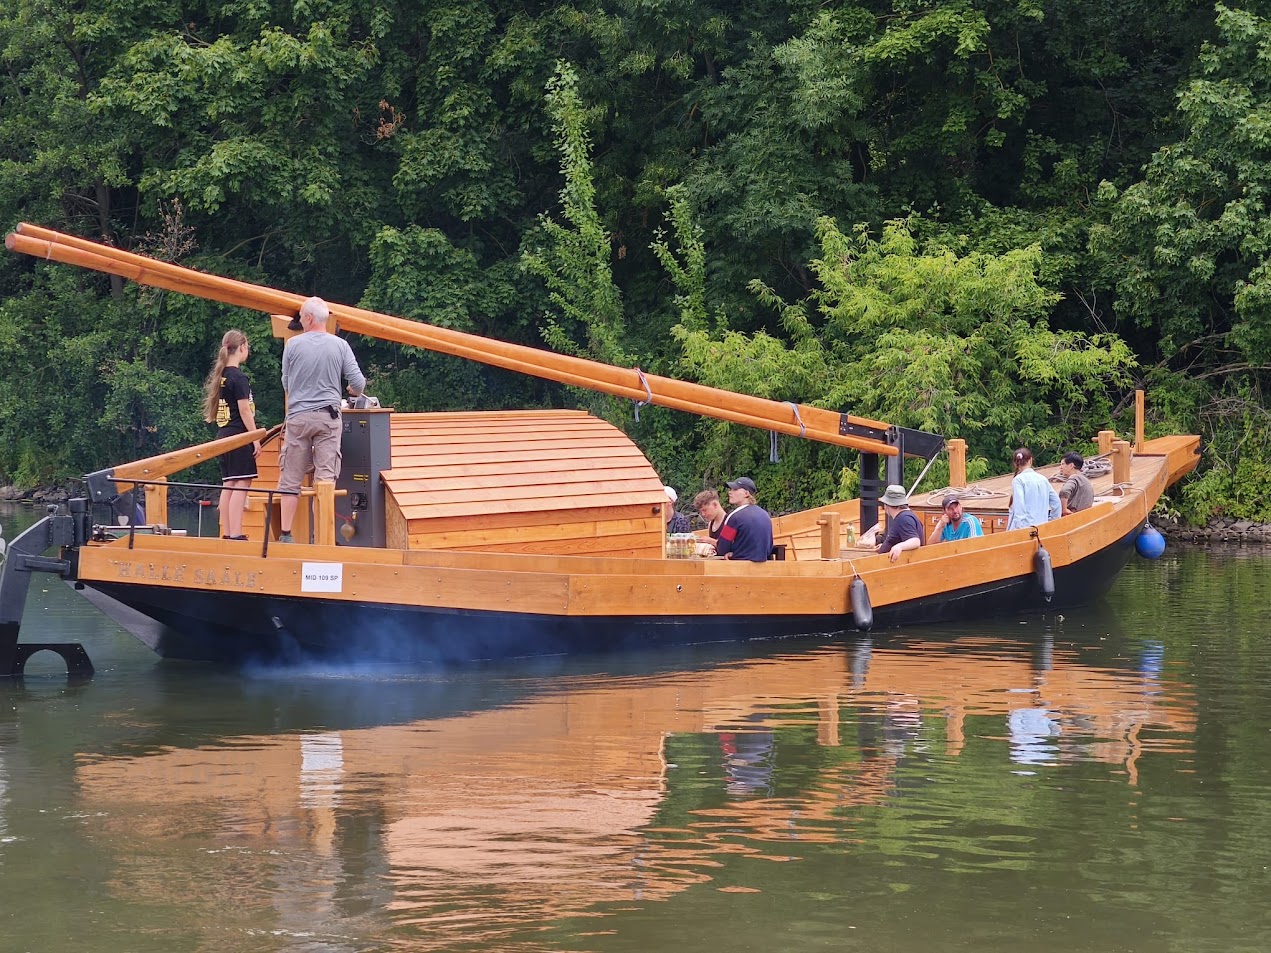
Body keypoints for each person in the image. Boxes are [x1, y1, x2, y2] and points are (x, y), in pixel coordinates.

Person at [277, 297, 367, 543]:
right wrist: (350, 390)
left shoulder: (292, 346)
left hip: (298, 418)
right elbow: (359, 384)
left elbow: (286, 383)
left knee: (291, 478)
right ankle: (322, 538)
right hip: (328, 419)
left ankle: (286, 535)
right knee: (325, 479)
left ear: (308, 318)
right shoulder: (340, 346)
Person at [202, 329, 259, 540]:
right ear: (242, 348)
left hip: (223, 435)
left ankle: (227, 532)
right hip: (238, 436)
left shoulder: (222, 376)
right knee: (242, 483)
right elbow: (244, 410)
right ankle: (235, 532)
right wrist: (254, 438)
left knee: (229, 483)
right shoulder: (239, 377)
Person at [714, 477, 773, 562]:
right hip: (763, 564)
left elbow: (722, 548)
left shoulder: (735, 517)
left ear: (746, 493)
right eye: (730, 489)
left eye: (735, 489)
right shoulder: (765, 515)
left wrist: (733, 554)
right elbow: (768, 547)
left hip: (740, 567)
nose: (730, 492)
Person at [1006, 447, 1060, 530]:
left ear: (1015, 463)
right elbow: (1056, 503)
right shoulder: (1043, 479)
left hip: (1025, 529)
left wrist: (1019, 527)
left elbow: (1019, 506)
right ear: (1031, 460)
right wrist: (1052, 521)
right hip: (1042, 527)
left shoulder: (1018, 480)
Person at [873, 484, 923, 562]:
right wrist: (885, 546)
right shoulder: (906, 516)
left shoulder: (904, 519)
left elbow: (915, 541)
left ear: (887, 505)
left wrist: (898, 547)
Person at [1056, 451, 1095, 516]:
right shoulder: (1085, 479)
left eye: (1062, 464)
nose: (1060, 467)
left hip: (1072, 517)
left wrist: (1064, 509)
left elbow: (1064, 491)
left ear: (1071, 465)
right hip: (1084, 515)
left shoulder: (1074, 478)